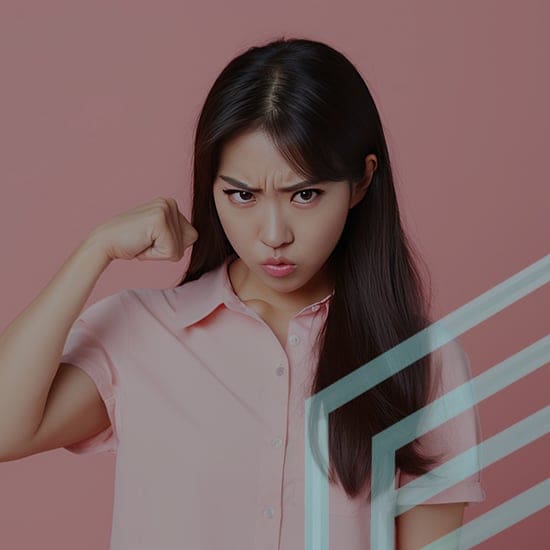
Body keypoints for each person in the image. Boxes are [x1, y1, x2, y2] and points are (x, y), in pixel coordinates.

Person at [0, 37, 486, 549]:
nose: (273, 233)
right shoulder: (140, 334)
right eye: (242, 195)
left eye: (305, 195)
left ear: (361, 182)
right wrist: (93, 252)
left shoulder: (422, 363)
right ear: (210, 186)